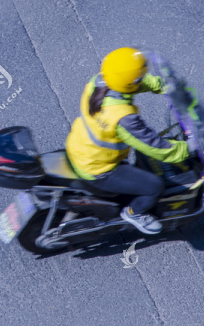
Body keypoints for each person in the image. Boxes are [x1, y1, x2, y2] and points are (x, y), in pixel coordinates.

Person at [65, 47, 192, 234]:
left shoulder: (98, 82)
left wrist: (162, 85)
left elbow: (130, 84)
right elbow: (156, 147)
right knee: (154, 186)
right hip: (98, 169)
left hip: (79, 149)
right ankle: (134, 213)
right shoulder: (122, 117)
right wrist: (189, 148)